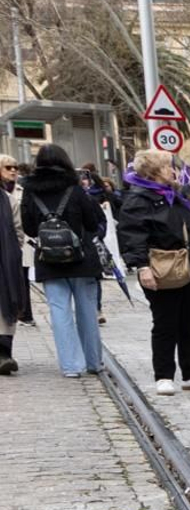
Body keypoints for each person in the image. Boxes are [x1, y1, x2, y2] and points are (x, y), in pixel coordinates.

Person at [118, 149, 190, 395]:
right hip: (163, 267)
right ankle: (163, 375)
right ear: (153, 172)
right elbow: (132, 235)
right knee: (165, 323)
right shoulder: (139, 199)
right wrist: (142, 267)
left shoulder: (176, 195)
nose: (174, 171)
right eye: (168, 166)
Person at [22, 144, 106, 378]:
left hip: (49, 260)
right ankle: (93, 362)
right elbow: (91, 223)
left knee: (59, 312)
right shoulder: (75, 188)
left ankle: (70, 366)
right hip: (81, 260)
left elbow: (29, 228)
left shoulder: (30, 191)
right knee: (87, 311)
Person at [0, 154, 31, 327]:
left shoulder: (20, 191)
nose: (13, 171)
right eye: (8, 167)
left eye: (15, 167)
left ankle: (25, 314)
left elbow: (19, 227)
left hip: (16, 248)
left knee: (21, 281)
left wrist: (15, 247)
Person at [0, 178, 21, 375]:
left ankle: (3, 354)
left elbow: (18, 231)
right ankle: (4, 354)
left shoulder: (8, 199)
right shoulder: (7, 199)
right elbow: (18, 232)